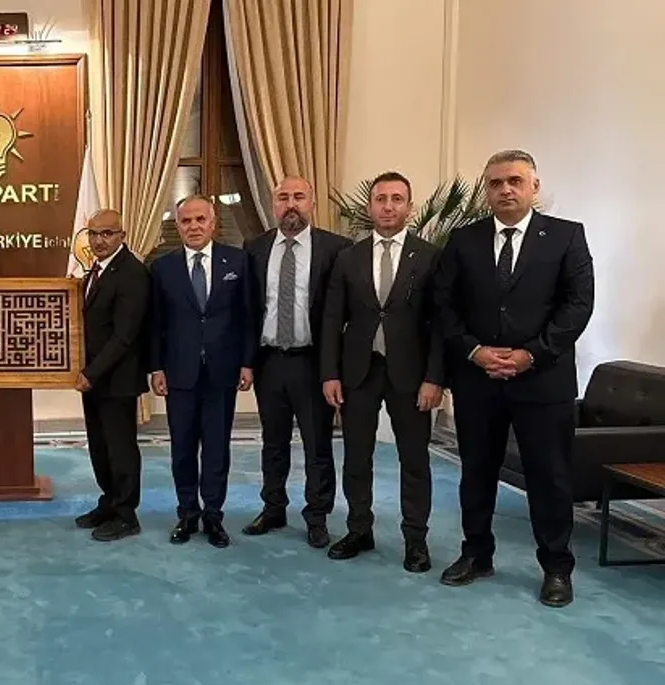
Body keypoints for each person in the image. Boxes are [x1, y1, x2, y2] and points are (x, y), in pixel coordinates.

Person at [433, 150, 594, 607]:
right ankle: (476, 554)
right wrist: (474, 350)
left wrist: (530, 355)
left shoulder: (566, 236)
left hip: (543, 381)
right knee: (476, 472)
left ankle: (557, 568)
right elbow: (443, 304)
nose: (505, 189)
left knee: (549, 477)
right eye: (496, 183)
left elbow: (578, 305)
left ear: (534, 187)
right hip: (478, 379)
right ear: (486, 190)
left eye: (515, 181)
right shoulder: (463, 240)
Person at [320, 172, 444, 572]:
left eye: (396, 199)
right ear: (370, 206)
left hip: (412, 376)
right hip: (359, 373)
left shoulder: (429, 257)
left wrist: (434, 378)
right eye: (380, 199)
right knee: (357, 458)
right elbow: (332, 320)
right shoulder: (348, 257)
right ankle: (359, 529)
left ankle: (415, 540)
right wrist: (329, 374)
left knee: (414, 460)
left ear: (409, 206)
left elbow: (440, 324)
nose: (388, 206)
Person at [242, 176, 351, 549]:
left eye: (299, 197)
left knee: (317, 445)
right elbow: (249, 310)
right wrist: (247, 361)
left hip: (313, 363)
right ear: (273, 204)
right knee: (272, 443)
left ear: (312, 203)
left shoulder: (336, 249)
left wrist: (334, 369)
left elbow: (342, 314)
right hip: (269, 361)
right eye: (283, 197)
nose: (291, 204)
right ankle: (273, 508)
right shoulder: (254, 248)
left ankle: (317, 516)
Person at [149, 196, 258, 548]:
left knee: (216, 448)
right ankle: (187, 514)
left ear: (213, 223)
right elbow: (155, 324)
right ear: (177, 226)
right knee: (182, 449)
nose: (193, 226)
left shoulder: (237, 261)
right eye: (186, 221)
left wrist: (247, 362)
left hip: (222, 372)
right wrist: (156, 367)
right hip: (179, 373)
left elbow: (248, 316)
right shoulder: (162, 268)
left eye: (200, 219)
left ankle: (213, 515)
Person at [74, 209, 151, 541]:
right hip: (94, 380)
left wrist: (91, 373)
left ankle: (126, 514)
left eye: (106, 233)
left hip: (117, 380)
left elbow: (125, 335)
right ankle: (109, 502)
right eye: (93, 234)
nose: (99, 240)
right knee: (100, 446)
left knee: (120, 450)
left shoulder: (132, 273)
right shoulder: (97, 269)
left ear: (122, 235)